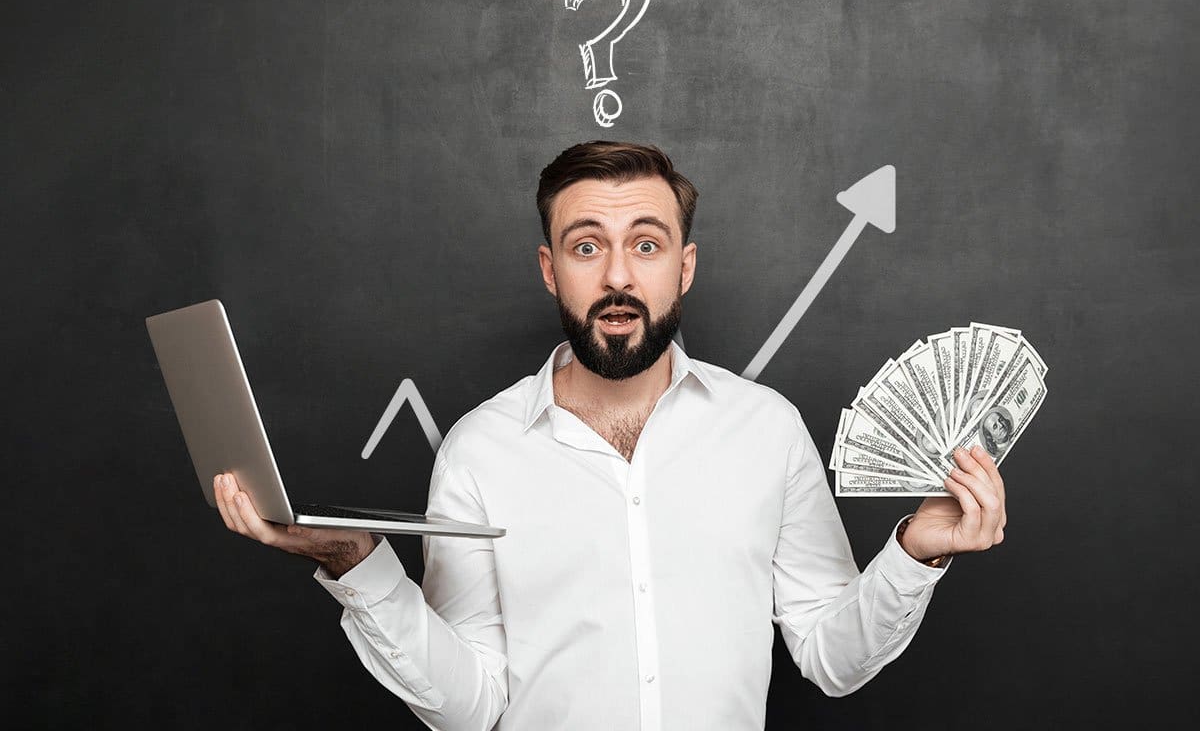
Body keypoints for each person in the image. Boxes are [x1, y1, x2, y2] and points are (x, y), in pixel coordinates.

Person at [213, 141, 1007, 731]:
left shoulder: (766, 430)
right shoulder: (478, 449)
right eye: (587, 246)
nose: (618, 277)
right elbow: (469, 704)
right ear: (550, 269)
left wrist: (915, 550)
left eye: (647, 245)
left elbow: (831, 663)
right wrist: (357, 568)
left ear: (685, 266)